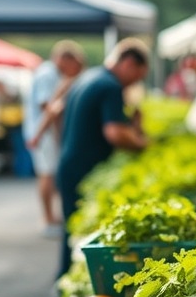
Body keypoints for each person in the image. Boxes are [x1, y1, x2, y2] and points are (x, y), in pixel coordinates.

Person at [55, 38, 150, 279]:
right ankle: (65, 282)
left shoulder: (90, 77)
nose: (135, 83)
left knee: (71, 231)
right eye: (137, 76)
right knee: (77, 234)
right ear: (128, 63)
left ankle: (64, 279)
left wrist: (132, 125)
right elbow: (114, 133)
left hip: (69, 163)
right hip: (82, 169)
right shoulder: (110, 86)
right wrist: (141, 144)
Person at [23, 40, 85, 236]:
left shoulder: (53, 75)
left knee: (49, 174)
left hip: (44, 134)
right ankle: (47, 219)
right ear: (65, 59)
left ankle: (51, 216)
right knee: (47, 174)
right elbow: (48, 109)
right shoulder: (47, 75)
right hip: (43, 135)